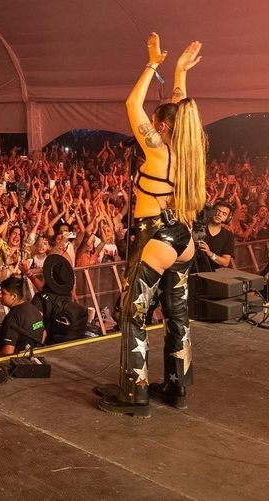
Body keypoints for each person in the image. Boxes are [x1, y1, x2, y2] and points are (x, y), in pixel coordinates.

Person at [97, 35, 204, 416]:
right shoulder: (190, 152)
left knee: (133, 314)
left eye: (158, 122)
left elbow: (132, 104)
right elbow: (180, 108)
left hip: (155, 235)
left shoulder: (158, 151)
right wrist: (179, 73)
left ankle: (135, 394)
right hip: (183, 239)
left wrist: (152, 65)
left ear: (161, 126)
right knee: (177, 316)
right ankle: (177, 388)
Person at [0, 276, 45, 355]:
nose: (0, 295)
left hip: (19, 361)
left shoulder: (12, 317)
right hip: (35, 357)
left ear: (14, 296)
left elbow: (8, 352)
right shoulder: (34, 309)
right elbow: (44, 333)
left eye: (3, 293)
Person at [193, 200, 235, 273]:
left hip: (212, 275)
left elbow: (225, 262)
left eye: (224, 214)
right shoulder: (198, 227)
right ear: (211, 212)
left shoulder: (228, 236)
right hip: (192, 271)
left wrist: (210, 254)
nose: (219, 214)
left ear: (227, 218)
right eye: (217, 211)